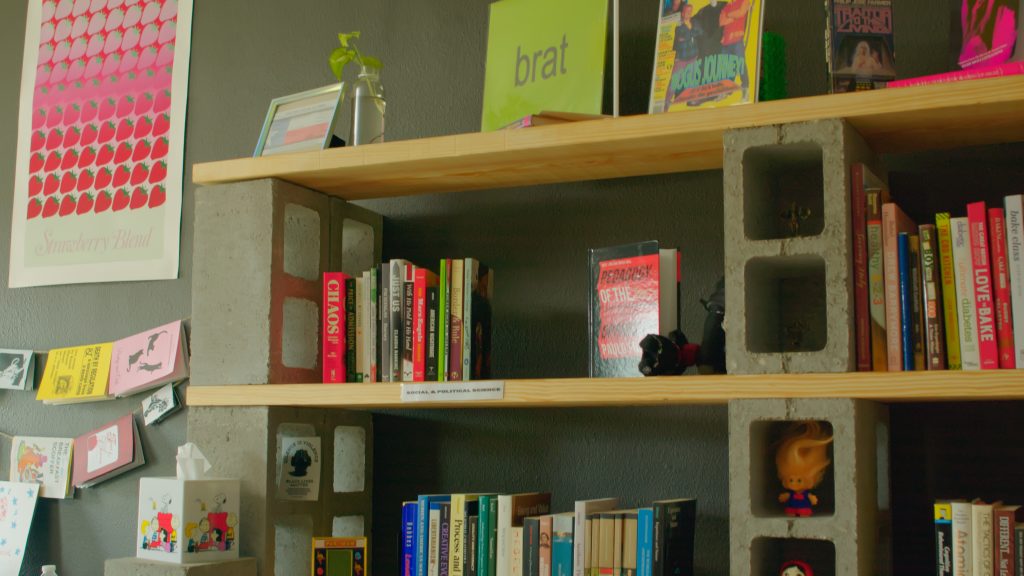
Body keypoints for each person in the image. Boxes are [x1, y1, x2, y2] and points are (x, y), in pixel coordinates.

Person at [719, 0, 753, 99]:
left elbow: (741, 13)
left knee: (740, 65)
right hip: (725, 42)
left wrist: (728, 16)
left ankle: (745, 89)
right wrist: (733, 16)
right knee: (727, 67)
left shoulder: (744, 1)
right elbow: (721, 22)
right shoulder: (727, 6)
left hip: (737, 39)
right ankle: (727, 90)